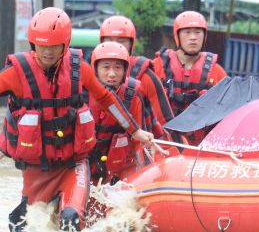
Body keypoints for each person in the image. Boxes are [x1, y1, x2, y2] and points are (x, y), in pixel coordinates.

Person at [0, 7, 155, 232]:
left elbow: (106, 98)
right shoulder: (15, 74)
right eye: (42, 46)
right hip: (38, 170)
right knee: (21, 224)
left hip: (74, 163)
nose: (47, 52)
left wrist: (134, 131)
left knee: (71, 219)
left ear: (65, 44)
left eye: (54, 46)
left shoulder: (78, 70)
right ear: (33, 43)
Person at [88, 41, 168, 184]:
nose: (111, 74)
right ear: (95, 69)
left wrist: (147, 173)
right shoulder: (82, 93)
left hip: (117, 167)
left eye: (118, 68)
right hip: (85, 164)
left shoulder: (132, 96)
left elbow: (137, 143)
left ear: (125, 70)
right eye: (106, 67)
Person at [151, 11, 228, 143]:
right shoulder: (156, 67)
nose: (193, 37)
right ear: (177, 36)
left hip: (200, 147)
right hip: (162, 143)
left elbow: (227, 113)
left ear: (204, 36)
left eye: (198, 32)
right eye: (187, 32)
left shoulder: (218, 73)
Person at [99, 15, 174, 126]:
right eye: (109, 41)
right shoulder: (90, 75)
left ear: (131, 45)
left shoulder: (146, 76)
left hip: (137, 141)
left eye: (121, 41)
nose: (114, 47)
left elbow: (166, 121)